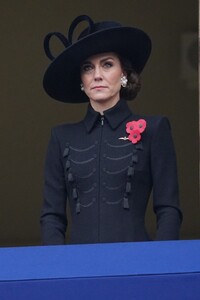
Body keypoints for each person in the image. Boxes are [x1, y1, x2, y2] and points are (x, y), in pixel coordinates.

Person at [40, 14, 182, 245]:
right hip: (77, 268)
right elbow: (52, 216)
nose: (97, 75)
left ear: (124, 73)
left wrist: (159, 263)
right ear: (81, 81)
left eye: (107, 64)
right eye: (88, 68)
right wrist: (58, 268)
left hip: (136, 265)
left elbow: (168, 209)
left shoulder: (155, 129)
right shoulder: (61, 136)